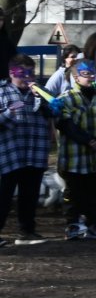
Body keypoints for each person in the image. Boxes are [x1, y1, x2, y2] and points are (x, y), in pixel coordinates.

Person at [54, 60, 96, 240]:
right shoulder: (66, 99)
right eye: (86, 74)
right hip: (74, 156)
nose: (91, 77)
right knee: (74, 193)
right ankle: (73, 225)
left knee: (94, 193)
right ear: (76, 77)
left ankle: (93, 224)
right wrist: (87, 140)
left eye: (92, 73)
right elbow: (65, 124)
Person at [0, 57, 52, 248]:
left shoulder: (40, 91)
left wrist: (44, 100)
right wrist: (8, 113)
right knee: (3, 195)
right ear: (12, 72)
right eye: (22, 73)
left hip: (35, 151)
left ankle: (26, 231)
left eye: (30, 72)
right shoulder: (2, 91)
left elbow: (56, 111)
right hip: (9, 153)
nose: (27, 77)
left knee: (30, 194)